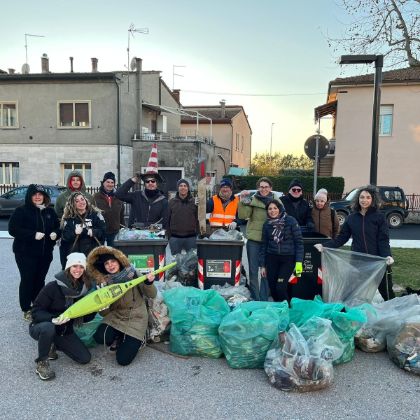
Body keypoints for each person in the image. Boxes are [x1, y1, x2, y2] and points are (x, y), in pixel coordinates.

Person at [314, 185, 395, 300]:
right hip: (358, 262)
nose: (364, 200)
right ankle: (347, 313)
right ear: (358, 199)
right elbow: (342, 238)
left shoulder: (379, 218)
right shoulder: (352, 218)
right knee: (350, 291)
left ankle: (394, 312)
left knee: (386, 291)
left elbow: (383, 239)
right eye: (362, 197)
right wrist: (324, 246)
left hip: (379, 261)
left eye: (368, 197)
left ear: (373, 200)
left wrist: (387, 256)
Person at [87, 246, 157, 366]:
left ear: (119, 261)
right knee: (100, 337)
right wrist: (102, 309)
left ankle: (140, 338)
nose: (110, 265)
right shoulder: (103, 283)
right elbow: (105, 313)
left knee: (123, 360)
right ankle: (118, 336)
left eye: (113, 261)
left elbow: (152, 294)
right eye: (106, 263)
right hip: (116, 316)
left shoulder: (132, 274)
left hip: (136, 317)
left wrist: (148, 282)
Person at [29, 252, 93, 380]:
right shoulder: (53, 287)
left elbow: (85, 318)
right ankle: (42, 362)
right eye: (74, 266)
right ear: (68, 267)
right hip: (42, 326)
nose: (78, 270)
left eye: (81, 267)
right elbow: (35, 311)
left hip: (64, 330)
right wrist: (53, 319)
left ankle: (54, 344)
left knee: (85, 358)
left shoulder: (83, 289)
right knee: (48, 328)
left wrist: (95, 310)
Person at [8, 184, 61, 322]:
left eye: (40, 194)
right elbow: (13, 229)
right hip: (25, 253)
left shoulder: (49, 211)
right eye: (34, 194)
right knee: (27, 280)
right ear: (29, 196)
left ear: (44, 196)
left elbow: (58, 226)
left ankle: (38, 305)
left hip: (45, 253)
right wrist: (32, 235)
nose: (38, 197)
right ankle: (26, 308)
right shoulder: (21, 211)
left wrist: (56, 233)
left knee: (40, 280)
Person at [238, 177, 281, 301]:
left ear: (271, 188)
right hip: (254, 240)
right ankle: (255, 297)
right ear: (258, 188)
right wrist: (242, 201)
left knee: (266, 270)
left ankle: (264, 297)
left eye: (266, 187)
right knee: (253, 270)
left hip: (270, 241)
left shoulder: (276, 201)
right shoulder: (252, 200)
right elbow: (243, 215)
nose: (264, 189)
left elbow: (283, 215)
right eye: (261, 187)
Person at [259, 200, 304, 303]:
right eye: (270, 209)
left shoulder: (291, 221)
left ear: (280, 209)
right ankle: (279, 309)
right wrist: (262, 265)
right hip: (272, 259)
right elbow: (264, 245)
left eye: (275, 208)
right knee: (273, 289)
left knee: (280, 287)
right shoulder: (266, 224)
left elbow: (299, 242)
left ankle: (286, 309)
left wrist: (299, 263)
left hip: (287, 259)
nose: (272, 211)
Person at [60, 192, 106, 268]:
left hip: (93, 256)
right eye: (77, 201)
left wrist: (94, 232)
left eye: (82, 199)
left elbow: (103, 232)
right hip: (76, 258)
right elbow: (64, 238)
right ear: (72, 204)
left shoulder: (96, 215)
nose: (81, 202)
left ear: (86, 200)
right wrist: (74, 233)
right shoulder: (68, 218)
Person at [93, 171, 125, 247]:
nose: (110, 184)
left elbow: (121, 215)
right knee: (100, 255)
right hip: (100, 231)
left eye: (112, 182)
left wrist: (123, 229)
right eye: (108, 182)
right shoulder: (95, 197)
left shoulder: (118, 197)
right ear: (103, 182)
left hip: (114, 232)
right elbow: (91, 214)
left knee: (113, 255)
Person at [167, 178, 198, 255]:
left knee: (191, 262)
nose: (183, 187)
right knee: (176, 262)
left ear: (188, 188)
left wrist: (197, 234)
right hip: (175, 238)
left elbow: (198, 219)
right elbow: (167, 219)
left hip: (191, 238)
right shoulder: (171, 202)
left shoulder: (194, 202)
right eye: (181, 186)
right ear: (178, 188)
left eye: (185, 186)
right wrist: (169, 236)